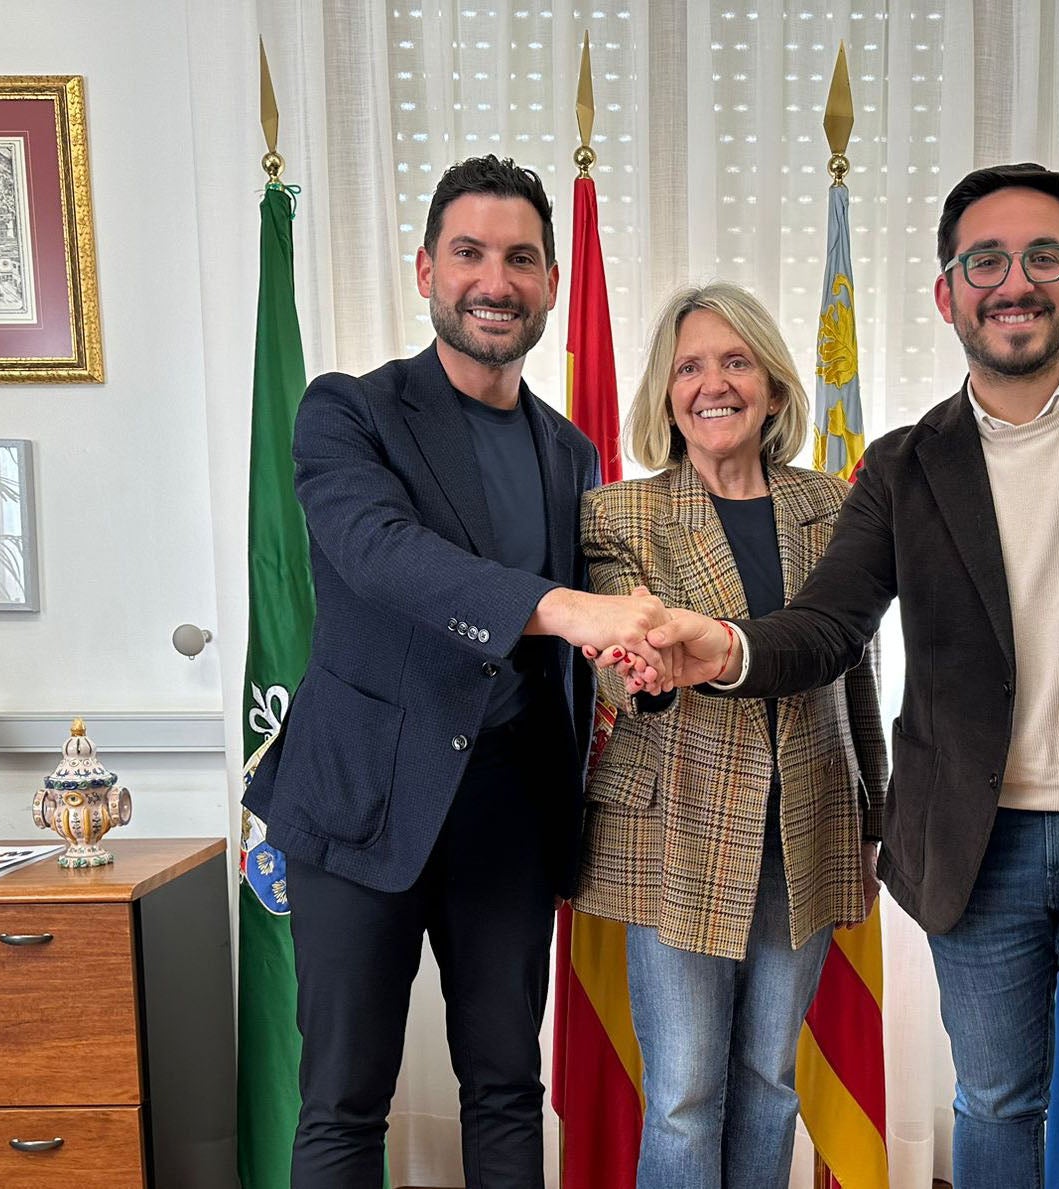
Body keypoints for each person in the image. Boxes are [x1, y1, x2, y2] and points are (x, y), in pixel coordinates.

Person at [613, 163, 1059, 1187]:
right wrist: (722, 647)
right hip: (974, 845)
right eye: (984, 261)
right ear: (948, 294)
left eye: (1043, 257)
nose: (1014, 282)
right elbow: (827, 628)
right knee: (992, 1106)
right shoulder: (902, 465)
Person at [242, 154, 669, 1189]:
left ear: (551, 284)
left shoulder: (570, 451)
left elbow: (583, 646)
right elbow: (384, 554)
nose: (495, 280)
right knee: (343, 1100)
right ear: (426, 269)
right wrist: (566, 609)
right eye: (470, 253)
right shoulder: (347, 411)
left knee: (507, 1088)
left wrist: (642, 651)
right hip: (359, 801)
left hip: (509, 810)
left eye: (521, 259)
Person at [573, 282, 888, 1189]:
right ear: (666, 394)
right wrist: (640, 666)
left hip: (807, 823)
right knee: (683, 1092)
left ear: (775, 386)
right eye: (690, 368)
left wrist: (874, 811)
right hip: (677, 828)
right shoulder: (619, 514)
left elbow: (855, 667)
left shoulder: (833, 505)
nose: (713, 384)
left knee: (770, 1080)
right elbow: (616, 656)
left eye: (736, 361)